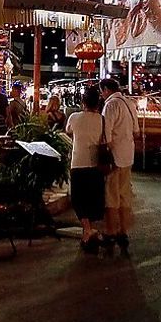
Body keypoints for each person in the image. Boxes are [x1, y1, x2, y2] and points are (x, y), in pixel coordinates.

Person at [100, 78, 137, 256]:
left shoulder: (111, 105)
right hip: (128, 156)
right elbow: (136, 131)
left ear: (106, 89)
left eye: (102, 91)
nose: (101, 94)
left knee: (111, 197)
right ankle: (124, 232)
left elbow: (106, 134)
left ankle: (110, 232)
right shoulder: (130, 103)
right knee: (124, 196)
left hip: (114, 157)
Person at [67, 86, 106, 253]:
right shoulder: (102, 119)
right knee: (93, 197)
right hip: (96, 164)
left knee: (78, 199)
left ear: (83, 101)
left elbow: (68, 131)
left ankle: (87, 229)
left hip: (78, 162)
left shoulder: (74, 117)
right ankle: (90, 231)